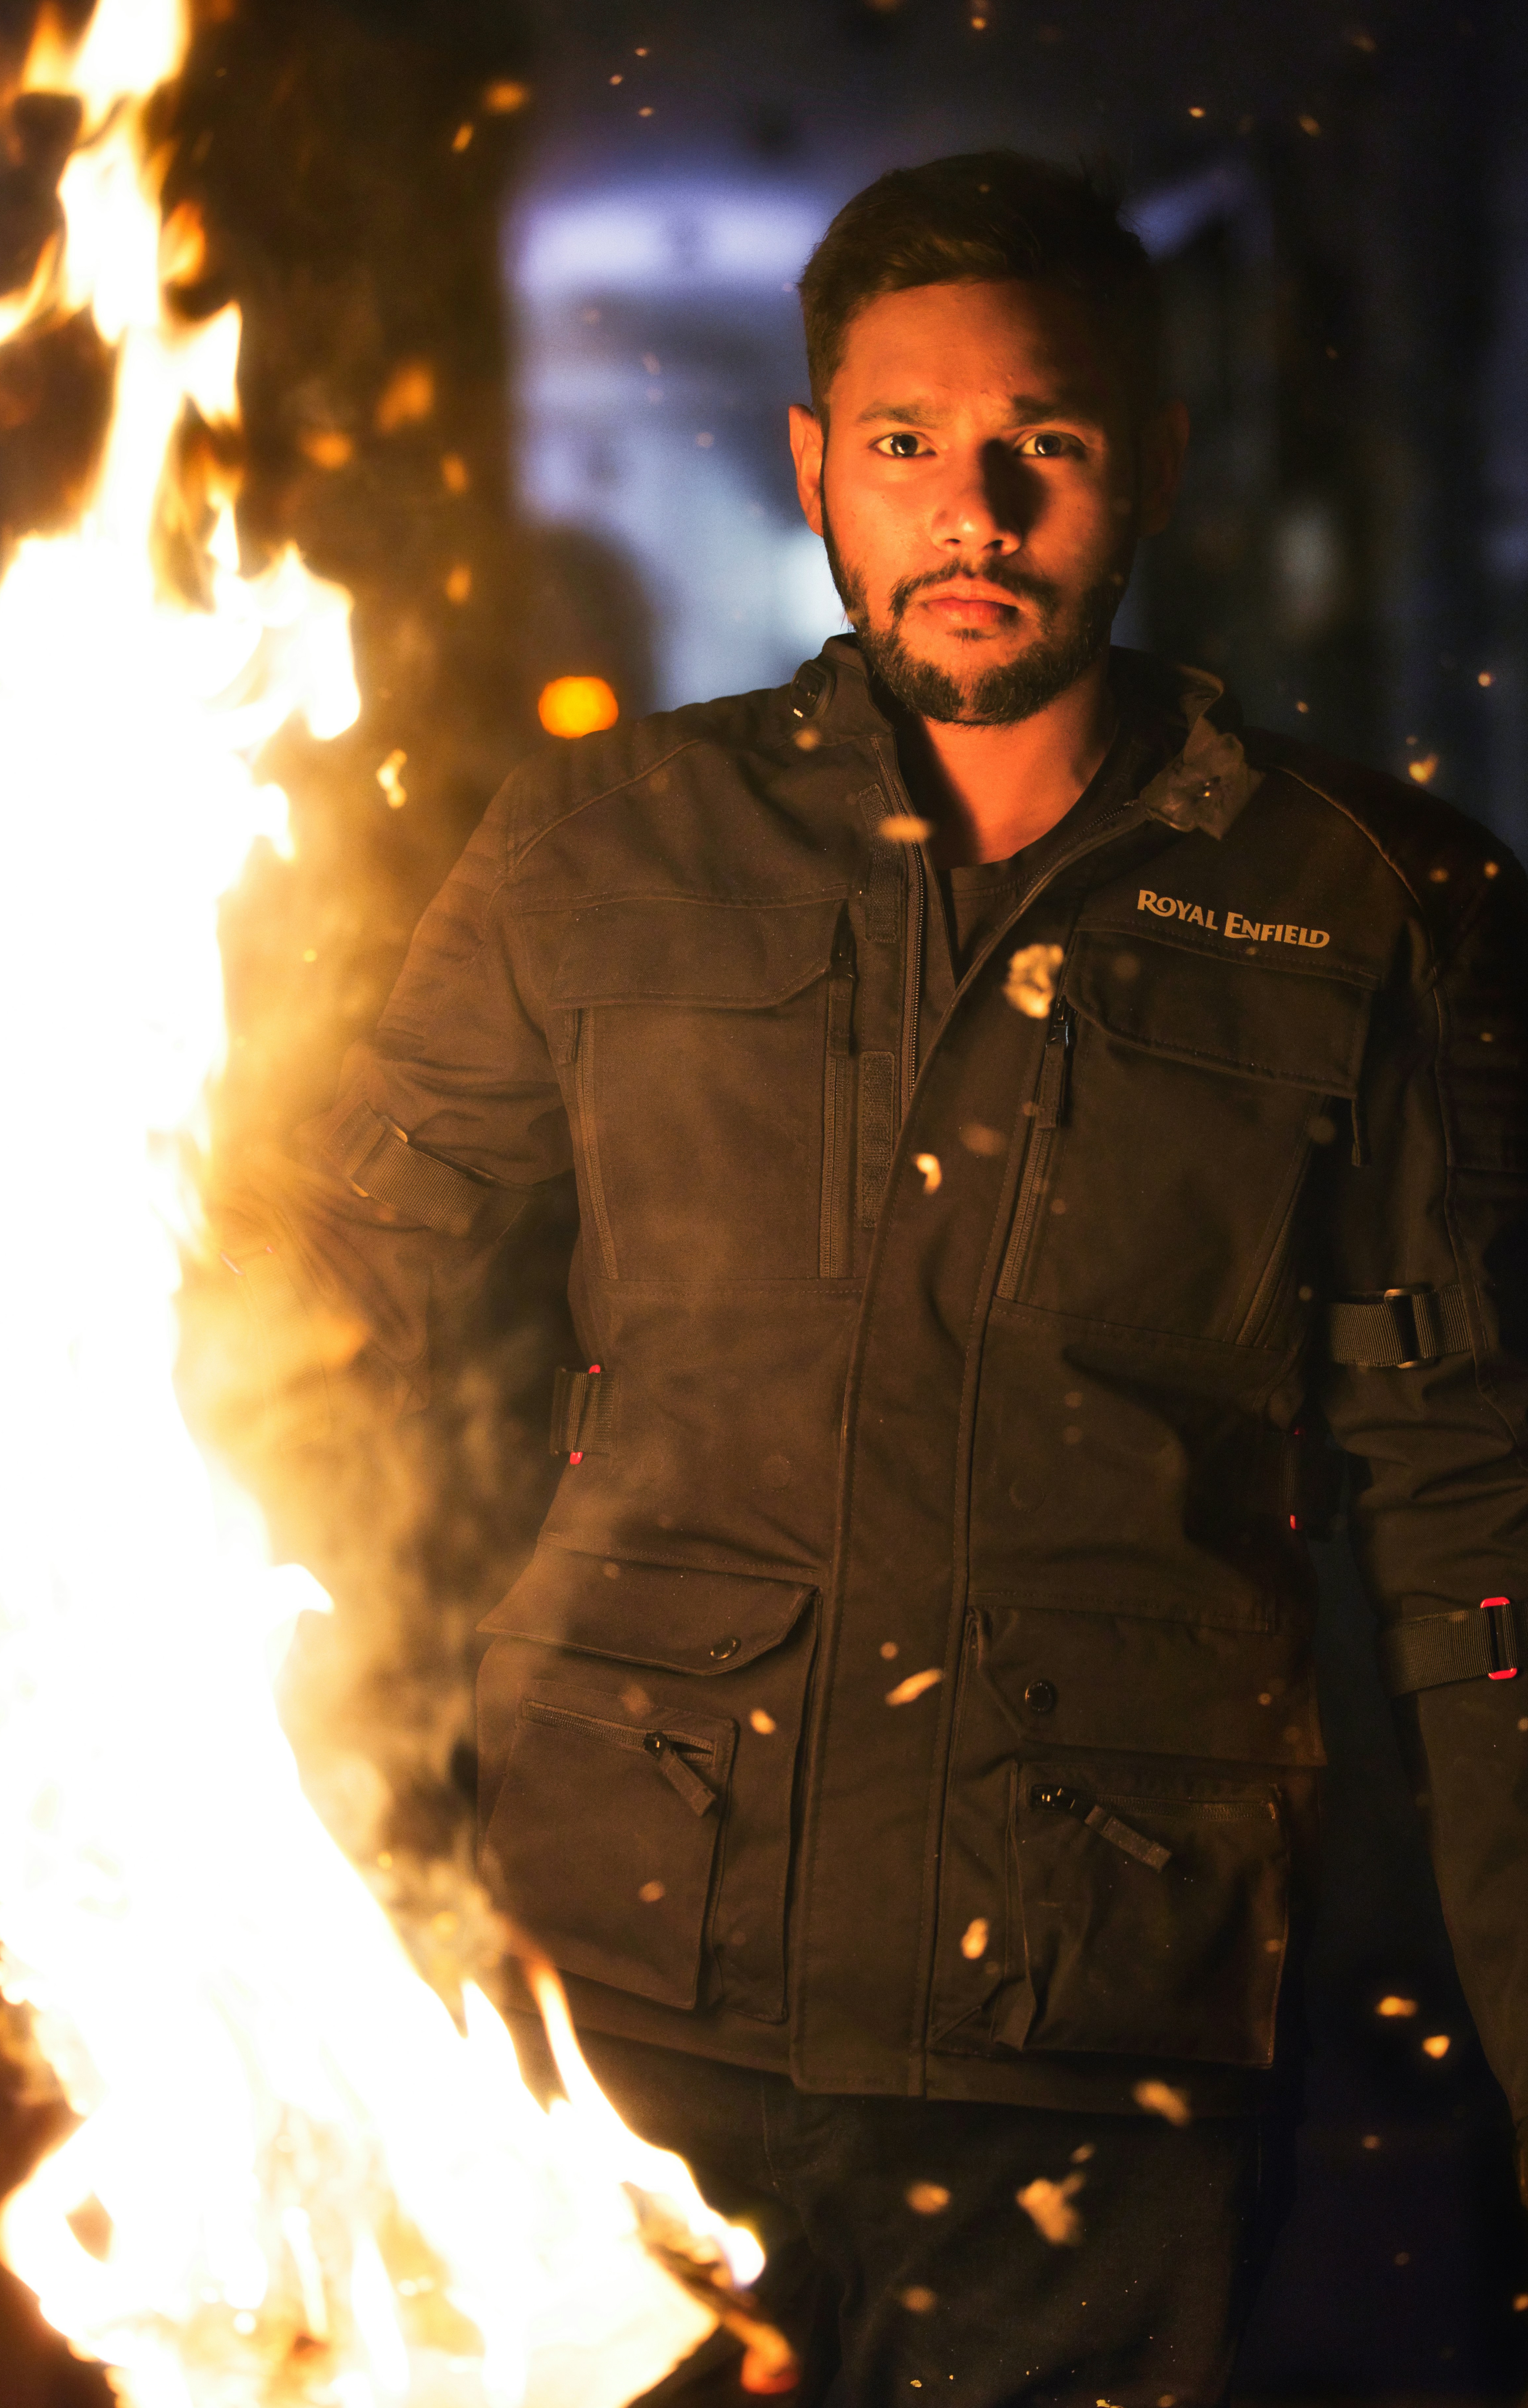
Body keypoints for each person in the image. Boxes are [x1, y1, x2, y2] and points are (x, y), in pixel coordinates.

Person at [236, 151, 1528, 2405]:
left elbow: (1474, 1511)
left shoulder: (1366, 909)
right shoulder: (609, 847)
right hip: (608, 2002)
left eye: (1049, 443)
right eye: (910, 449)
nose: (978, 512)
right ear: (816, 464)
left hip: (1091, 2050)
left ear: (1159, 456)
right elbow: (334, 1283)